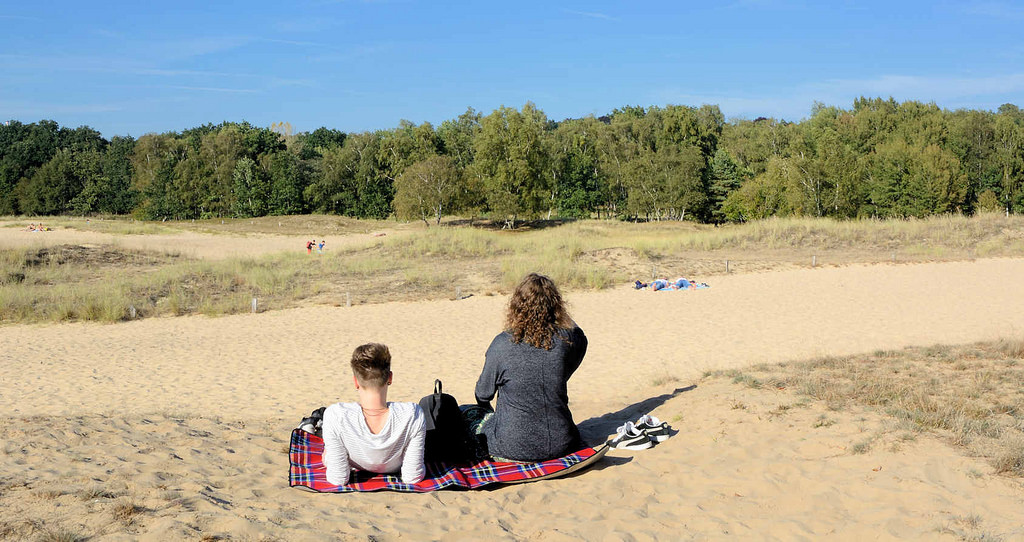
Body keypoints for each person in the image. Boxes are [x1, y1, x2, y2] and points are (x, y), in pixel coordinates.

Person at [472, 273, 588, 462]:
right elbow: (581, 338)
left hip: (511, 447)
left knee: (468, 414)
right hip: (564, 443)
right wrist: (561, 316)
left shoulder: (502, 344)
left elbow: (482, 395)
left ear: (516, 306)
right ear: (556, 306)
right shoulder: (565, 341)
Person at [321, 343, 426, 486]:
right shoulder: (412, 414)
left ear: (355, 382)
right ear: (390, 378)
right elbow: (412, 477)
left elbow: (338, 479)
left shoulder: (336, 416)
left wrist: (327, 459)